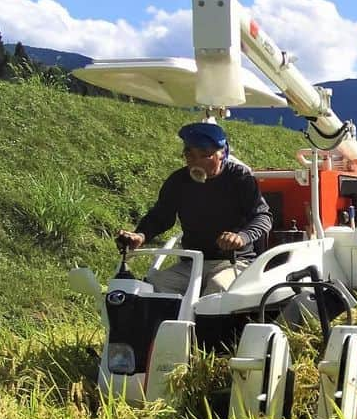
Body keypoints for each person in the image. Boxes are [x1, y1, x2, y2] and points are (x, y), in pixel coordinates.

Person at [116, 122, 272, 296]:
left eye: (204, 155)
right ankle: (165, 324)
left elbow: (263, 217)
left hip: (234, 261)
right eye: (189, 154)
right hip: (191, 263)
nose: (195, 162)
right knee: (155, 285)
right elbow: (161, 217)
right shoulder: (178, 181)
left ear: (222, 154)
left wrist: (241, 237)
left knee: (217, 288)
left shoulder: (240, 179)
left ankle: (208, 324)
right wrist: (140, 235)